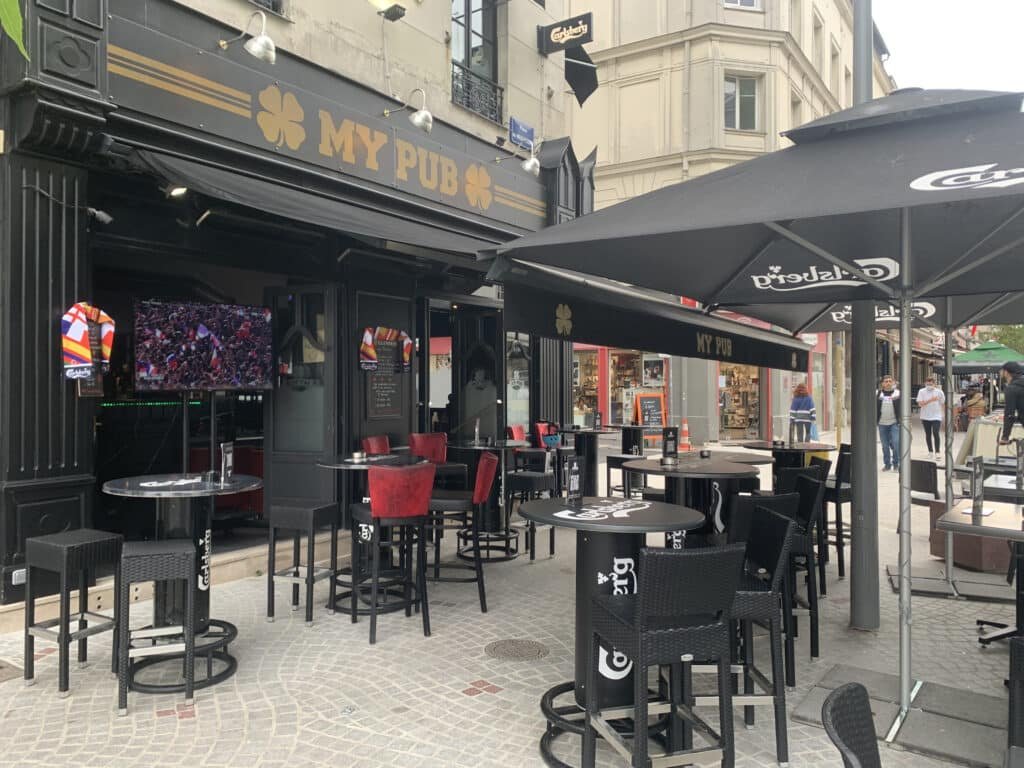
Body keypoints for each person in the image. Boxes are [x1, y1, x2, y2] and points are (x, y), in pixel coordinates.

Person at [916, 377, 945, 461]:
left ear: (934, 384)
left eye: (931, 384)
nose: (929, 386)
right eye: (927, 384)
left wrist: (943, 415)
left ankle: (938, 452)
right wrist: (931, 400)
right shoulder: (921, 392)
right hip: (925, 416)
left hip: (936, 416)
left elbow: (942, 403)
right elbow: (920, 404)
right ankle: (930, 451)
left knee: (936, 432)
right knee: (928, 434)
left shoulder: (939, 392)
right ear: (925, 383)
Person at [877, 374, 901, 471]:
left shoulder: (898, 393)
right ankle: (887, 464)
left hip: (894, 423)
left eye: (890, 381)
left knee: (896, 443)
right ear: (882, 384)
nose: (888, 383)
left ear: (893, 382)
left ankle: (896, 463)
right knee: (885, 445)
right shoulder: (878, 394)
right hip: (882, 423)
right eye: (886, 381)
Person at [999, 361, 1024, 444]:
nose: (1000, 372)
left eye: (1001, 370)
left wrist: (1005, 437)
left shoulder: (1011, 389)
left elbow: (1009, 413)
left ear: (1006, 372)